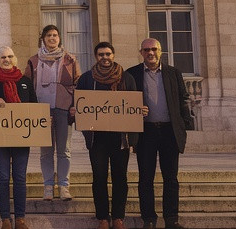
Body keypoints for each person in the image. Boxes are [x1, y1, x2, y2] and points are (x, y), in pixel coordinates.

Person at [125, 38, 194, 229]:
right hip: (145, 132)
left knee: (170, 178)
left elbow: (183, 99)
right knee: (145, 178)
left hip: (169, 131)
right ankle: (148, 219)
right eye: (146, 50)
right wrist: (135, 110)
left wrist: (184, 125)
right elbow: (125, 101)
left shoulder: (173, 73)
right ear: (141, 52)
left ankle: (171, 219)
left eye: (154, 49)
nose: (150, 53)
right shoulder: (131, 74)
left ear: (160, 51)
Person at [75, 42, 138, 229]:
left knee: (120, 177)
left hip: (120, 138)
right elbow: (79, 104)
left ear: (113, 55)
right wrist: (75, 111)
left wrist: (139, 110)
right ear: (96, 57)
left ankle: (118, 217)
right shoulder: (87, 79)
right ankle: (102, 217)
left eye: (108, 54)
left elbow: (134, 103)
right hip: (97, 138)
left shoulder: (126, 77)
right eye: (101, 54)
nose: (105, 57)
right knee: (99, 177)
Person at [0, 45, 36, 229]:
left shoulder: (25, 81)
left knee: (20, 177)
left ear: (15, 59)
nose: (7, 59)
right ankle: (5, 218)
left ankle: (20, 218)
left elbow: (34, 105)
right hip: (0, 137)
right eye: (3, 57)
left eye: (10, 56)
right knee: (3, 176)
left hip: (21, 137)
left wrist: (43, 120)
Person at [26, 24, 80, 200]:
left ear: (59, 38)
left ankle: (64, 186)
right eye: (48, 35)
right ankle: (48, 186)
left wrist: (74, 105)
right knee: (46, 152)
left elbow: (78, 84)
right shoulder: (33, 61)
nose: (52, 38)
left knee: (64, 150)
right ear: (43, 39)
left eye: (55, 35)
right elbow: (27, 86)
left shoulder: (70, 60)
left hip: (64, 109)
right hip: (42, 111)